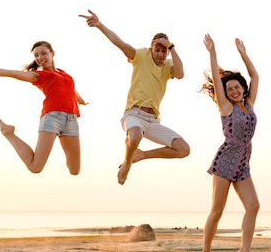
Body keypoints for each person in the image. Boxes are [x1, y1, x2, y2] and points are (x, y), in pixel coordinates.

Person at [79, 10, 190, 185]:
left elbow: (181, 74)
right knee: (136, 136)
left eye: (164, 51)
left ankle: (142, 155)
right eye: (157, 50)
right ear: (151, 47)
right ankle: (128, 162)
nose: (161, 54)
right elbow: (120, 43)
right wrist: (99, 25)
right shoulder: (140, 56)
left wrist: (172, 47)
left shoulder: (169, 65)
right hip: (133, 115)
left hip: (152, 121)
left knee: (184, 150)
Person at [0, 41, 86, 175]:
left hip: (71, 119)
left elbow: (71, 89)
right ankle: (8, 133)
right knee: (35, 167)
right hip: (53, 117)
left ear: (52, 53)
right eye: (36, 55)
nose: (39, 58)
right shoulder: (38, 75)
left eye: (43, 53)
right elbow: (11, 73)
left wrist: (82, 101)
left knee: (75, 170)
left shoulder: (63, 73)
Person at [200, 34, 260, 252]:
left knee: (253, 206)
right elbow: (216, 79)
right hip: (225, 162)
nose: (234, 91)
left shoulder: (250, 104)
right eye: (230, 89)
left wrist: (243, 54)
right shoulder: (225, 107)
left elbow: (255, 76)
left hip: (243, 163)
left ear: (243, 89)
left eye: (237, 87)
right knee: (217, 210)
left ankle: (245, 251)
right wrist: (212, 52)